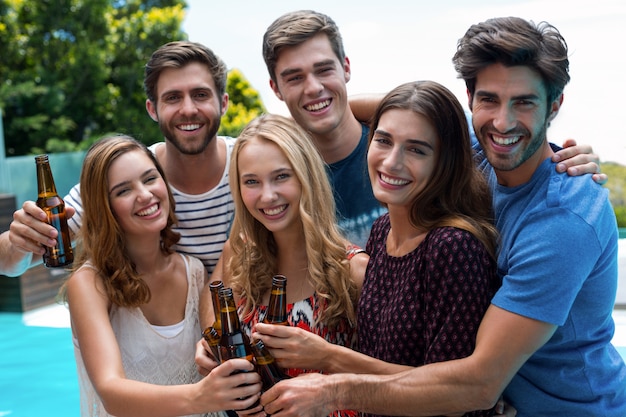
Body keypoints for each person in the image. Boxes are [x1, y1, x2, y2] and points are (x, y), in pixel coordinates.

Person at [258, 17, 626, 417]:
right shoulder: (480, 148)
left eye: (525, 102)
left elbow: (479, 385)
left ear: (555, 105)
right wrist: (302, 117)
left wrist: (333, 386)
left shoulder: (562, 220)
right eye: (489, 100)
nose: (502, 122)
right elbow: (399, 110)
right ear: (470, 98)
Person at [253, 80, 501, 417]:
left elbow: (452, 396)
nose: (391, 161)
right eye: (383, 141)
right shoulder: (383, 231)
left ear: (445, 161)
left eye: (416, 149)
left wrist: (328, 358)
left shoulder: (453, 248)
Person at [260, 9, 606, 249]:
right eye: (294, 78)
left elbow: (502, 134)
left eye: (324, 71)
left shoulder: (440, 141)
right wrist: (285, 130)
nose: (314, 88)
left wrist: (560, 156)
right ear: (276, 89)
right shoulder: (277, 177)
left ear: (346, 68)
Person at [61, 134, 260, 417]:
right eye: (123, 191)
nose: (144, 195)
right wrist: (203, 395)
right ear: (104, 208)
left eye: (150, 179)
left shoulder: (193, 271)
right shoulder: (90, 283)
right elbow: (111, 392)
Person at [0, 40, 235, 276]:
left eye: (200, 94)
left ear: (223, 103)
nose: (188, 109)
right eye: (172, 98)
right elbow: (8, 263)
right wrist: (19, 242)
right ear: (152, 109)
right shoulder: (130, 174)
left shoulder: (249, 165)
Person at [198, 113, 369, 417]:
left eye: (281, 176)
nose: (267, 195)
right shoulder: (239, 258)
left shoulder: (353, 270)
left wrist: (328, 357)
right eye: (252, 181)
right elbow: (210, 299)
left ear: (307, 177)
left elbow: (399, 380)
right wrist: (211, 341)